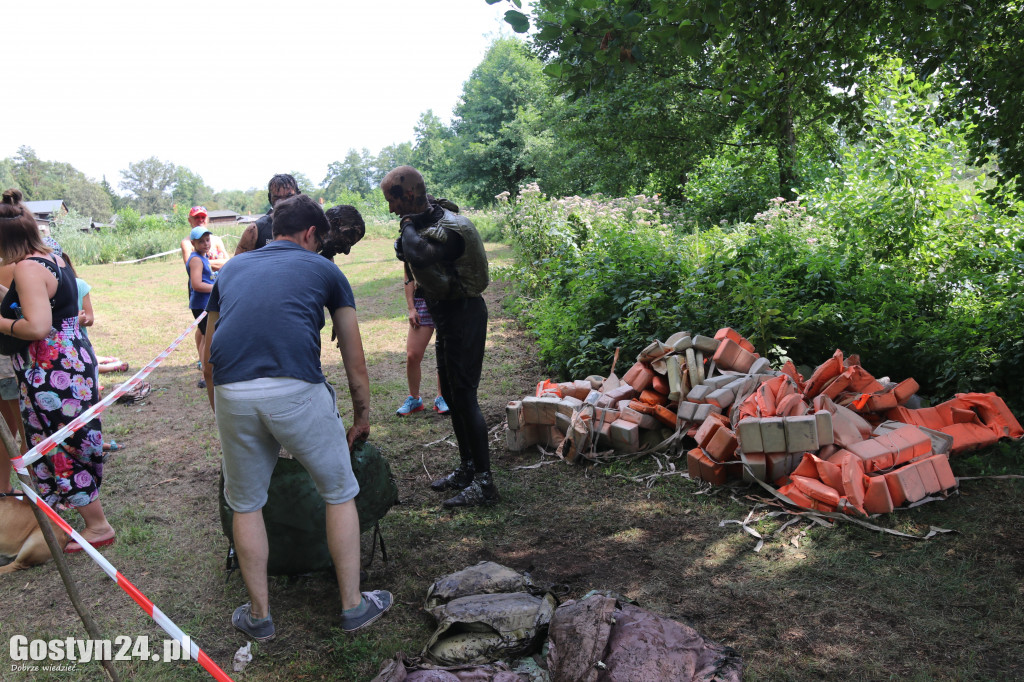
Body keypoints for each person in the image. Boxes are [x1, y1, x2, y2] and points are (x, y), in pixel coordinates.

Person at [201, 194, 390, 639]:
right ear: (310, 234)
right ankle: (353, 605)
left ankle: (259, 615)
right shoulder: (326, 269)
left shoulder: (232, 268)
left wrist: (221, 408)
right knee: (339, 491)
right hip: (296, 389)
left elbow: (208, 354)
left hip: (232, 390)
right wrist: (362, 414)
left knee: (245, 503)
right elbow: (353, 355)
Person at [0, 189, 114, 552]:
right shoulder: (52, 257)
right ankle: (70, 519)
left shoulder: (27, 268)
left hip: (50, 370)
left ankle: (97, 527)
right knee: (65, 441)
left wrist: (1, 322)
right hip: (71, 359)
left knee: (63, 446)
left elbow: (36, 327)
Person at [380, 166, 496, 507]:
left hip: (464, 314)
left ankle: (486, 483)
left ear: (409, 195)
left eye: (393, 201)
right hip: (446, 314)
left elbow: (415, 253)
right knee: (454, 396)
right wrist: (410, 228)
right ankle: (468, 468)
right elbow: (405, 253)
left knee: (465, 396)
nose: (391, 209)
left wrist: (407, 224)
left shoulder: (452, 227)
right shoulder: (427, 222)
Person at [395, 275, 449, 416]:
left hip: (447, 299)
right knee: (413, 355)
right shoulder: (409, 251)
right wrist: (411, 308)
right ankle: (414, 400)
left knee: (445, 352)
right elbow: (409, 276)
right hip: (422, 300)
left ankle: (442, 396)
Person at [234, 174, 300, 255]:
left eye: (289, 196)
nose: (283, 202)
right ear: (270, 198)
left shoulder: (310, 226)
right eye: (277, 198)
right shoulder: (255, 230)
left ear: (298, 195)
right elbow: (239, 263)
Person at [186, 225, 216, 388]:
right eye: (201, 241)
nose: (206, 244)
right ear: (193, 243)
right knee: (206, 337)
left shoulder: (203, 257)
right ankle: (206, 374)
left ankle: (207, 370)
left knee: (206, 336)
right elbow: (197, 285)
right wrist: (216, 287)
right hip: (201, 305)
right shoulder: (196, 259)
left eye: (207, 240)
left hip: (205, 303)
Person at [180, 206, 229, 271]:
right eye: (196, 217)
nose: (200, 220)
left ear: (207, 219)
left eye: (203, 217)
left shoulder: (217, 240)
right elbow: (191, 267)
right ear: (189, 220)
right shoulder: (187, 242)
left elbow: (228, 263)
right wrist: (218, 262)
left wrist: (201, 262)